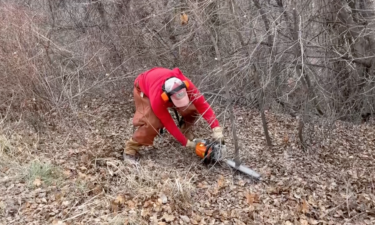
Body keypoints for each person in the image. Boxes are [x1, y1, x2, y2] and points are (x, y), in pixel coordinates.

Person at [123, 67, 224, 161]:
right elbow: (168, 123)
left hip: (162, 82)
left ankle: (185, 130)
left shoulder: (185, 84)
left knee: (192, 108)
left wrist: (216, 128)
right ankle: (130, 149)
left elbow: (202, 105)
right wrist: (186, 143)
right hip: (143, 89)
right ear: (166, 97)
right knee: (153, 122)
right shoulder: (157, 99)